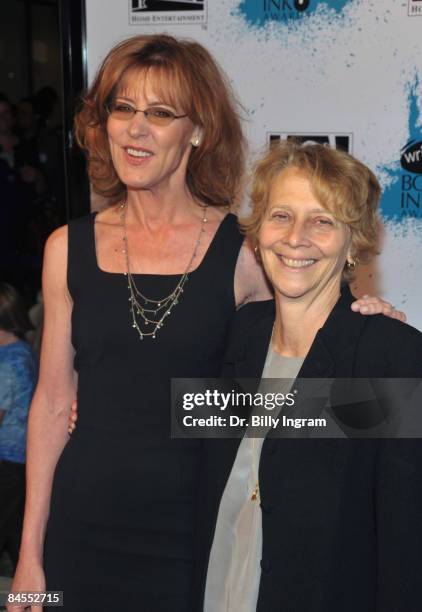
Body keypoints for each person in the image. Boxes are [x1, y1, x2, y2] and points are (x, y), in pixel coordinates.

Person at [11, 35, 401, 612]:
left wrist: (372, 324)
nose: (135, 130)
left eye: (160, 113)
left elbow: (305, 373)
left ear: (196, 131)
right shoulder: (65, 248)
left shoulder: (243, 252)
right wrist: (29, 555)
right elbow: (49, 403)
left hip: (197, 531)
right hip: (81, 525)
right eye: (123, 109)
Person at [195, 141, 422, 612]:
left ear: (353, 240)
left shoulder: (387, 356)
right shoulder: (241, 334)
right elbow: (198, 446)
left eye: (322, 221)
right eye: (281, 215)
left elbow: (406, 547)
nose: (296, 237)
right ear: (257, 234)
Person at [0, 283, 37, 569]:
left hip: (8, 460)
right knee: (14, 531)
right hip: (18, 460)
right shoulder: (21, 352)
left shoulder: (9, 362)